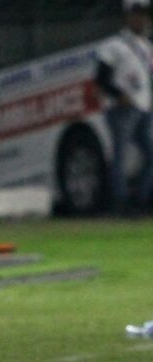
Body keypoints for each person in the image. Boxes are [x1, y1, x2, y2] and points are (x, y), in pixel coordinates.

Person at [95, 0, 153, 214]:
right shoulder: (114, 46)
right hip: (122, 109)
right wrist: (119, 95)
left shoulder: (146, 46)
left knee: (150, 155)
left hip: (144, 108)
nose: (141, 20)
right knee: (119, 155)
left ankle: (141, 199)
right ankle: (120, 202)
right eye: (136, 15)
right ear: (127, 18)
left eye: (144, 15)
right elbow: (101, 78)